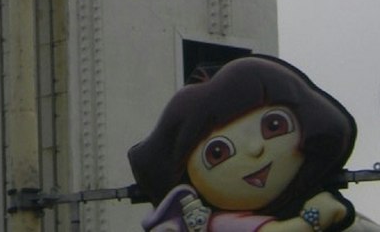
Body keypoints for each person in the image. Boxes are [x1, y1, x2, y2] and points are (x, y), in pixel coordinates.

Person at [128, 56, 356, 232]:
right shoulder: (222, 223)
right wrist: (316, 216)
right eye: (218, 153)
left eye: (274, 126)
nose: (255, 149)